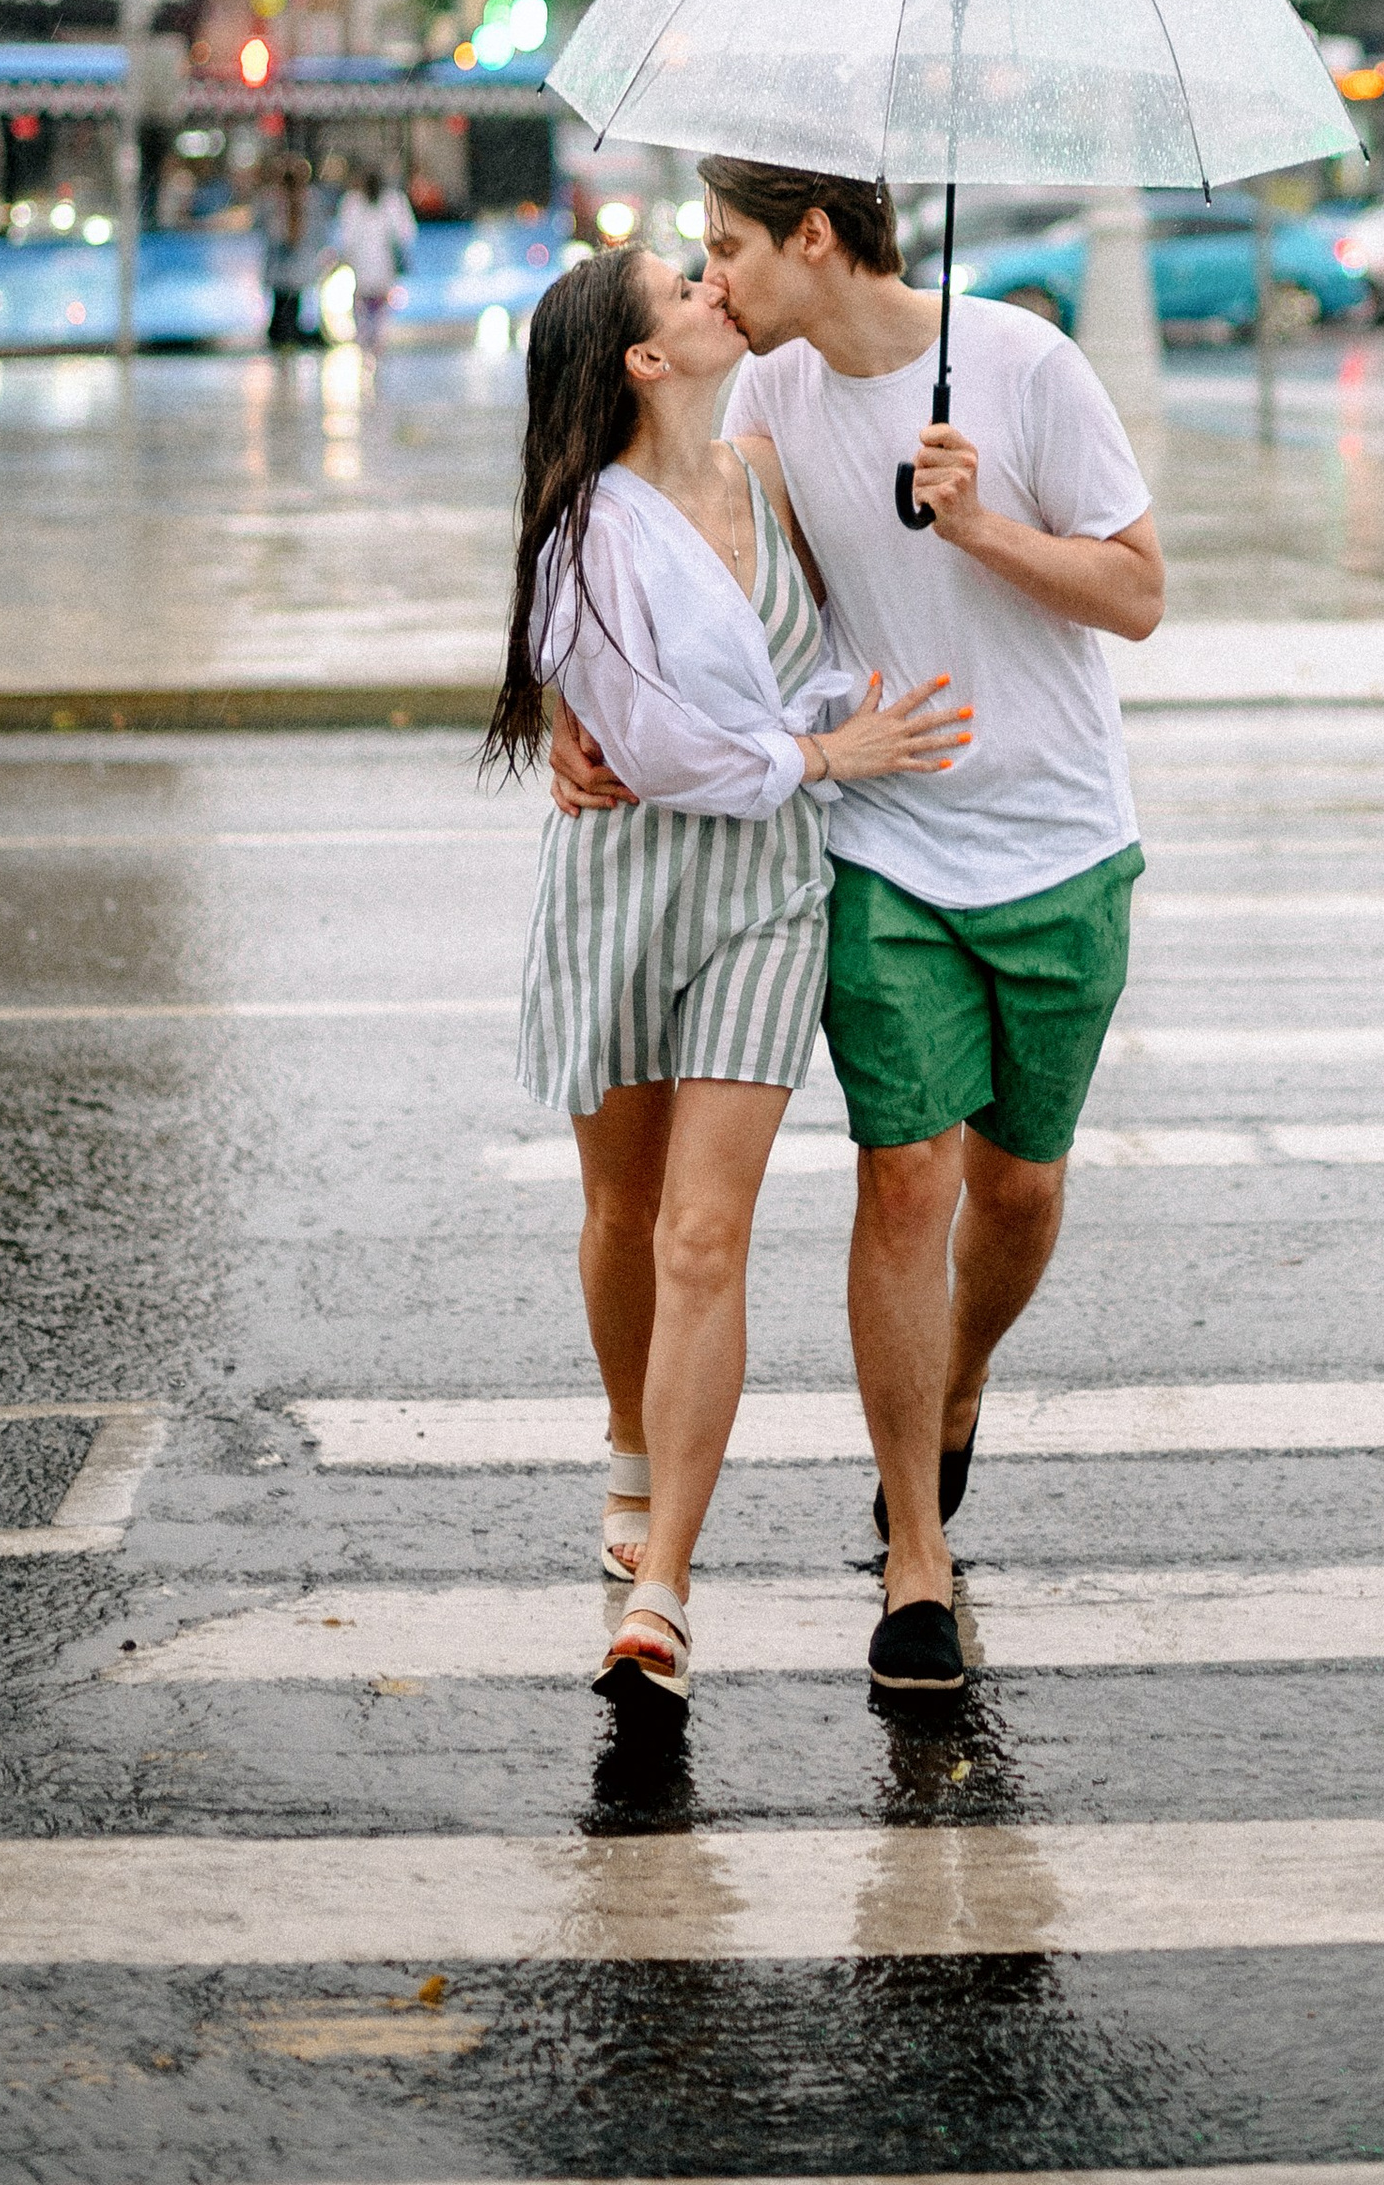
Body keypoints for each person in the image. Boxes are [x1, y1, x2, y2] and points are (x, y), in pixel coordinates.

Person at [552, 157, 1163, 1697]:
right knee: (908, 1176)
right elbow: (685, 572)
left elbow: (1141, 595)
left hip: (1062, 842)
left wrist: (983, 533)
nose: (715, 283)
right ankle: (915, 1559)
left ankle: (956, 1389)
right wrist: (571, 709)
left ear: (812, 241)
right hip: (880, 844)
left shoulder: (1025, 363)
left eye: (729, 251)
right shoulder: (772, 410)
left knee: (1015, 1191)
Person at [485, 241, 969, 1714]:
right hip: (626, 892)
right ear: (645, 360)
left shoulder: (767, 483)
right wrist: (824, 753)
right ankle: (629, 1440)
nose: (713, 296)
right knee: (623, 1213)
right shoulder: (584, 535)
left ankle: (662, 1591)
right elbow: (669, 751)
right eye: (682, 293)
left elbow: (809, 662)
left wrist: (856, 702)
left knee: (704, 1240)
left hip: (769, 899)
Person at [333, 163, 416, 356]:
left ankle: (373, 339)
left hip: (381, 264)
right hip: (364, 265)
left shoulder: (391, 202)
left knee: (376, 301)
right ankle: (369, 339)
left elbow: (404, 233)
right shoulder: (354, 203)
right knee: (367, 301)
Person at [260, 156, 318, 349]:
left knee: (291, 313)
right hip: (280, 273)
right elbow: (276, 235)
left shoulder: (308, 203)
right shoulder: (272, 204)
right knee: (280, 315)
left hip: (293, 273)